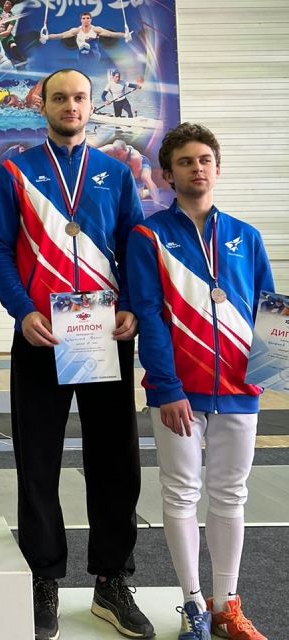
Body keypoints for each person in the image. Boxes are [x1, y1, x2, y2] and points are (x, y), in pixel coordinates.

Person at [0, 68, 153, 640]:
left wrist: (131, 305)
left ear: (90, 104)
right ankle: (44, 578)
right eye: (60, 98)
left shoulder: (115, 172)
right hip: (41, 334)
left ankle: (111, 579)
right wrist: (21, 311)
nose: (71, 106)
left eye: (79, 97)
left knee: (116, 460)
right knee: (38, 461)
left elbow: (135, 245)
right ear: (44, 106)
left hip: (105, 333)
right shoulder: (15, 171)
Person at [127, 123, 272, 640]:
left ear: (217, 167)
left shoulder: (246, 237)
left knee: (231, 495)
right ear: (167, 175)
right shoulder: (148, 236)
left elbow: (268, 311)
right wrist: (166, 388)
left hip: (239, 389)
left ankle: (227, 604)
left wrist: (266, 374)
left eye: (205, 159)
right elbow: (148, 314)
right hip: (178, 392)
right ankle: (192, 604)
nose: (197, 168)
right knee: (182, 493)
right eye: (185, 162)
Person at [99, 139, 164, 206]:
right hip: (126, 168)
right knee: (138, 195)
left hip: (141, 165)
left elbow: (136, 176)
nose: (116, 157)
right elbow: (94, 151)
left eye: (118, 154)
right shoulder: (110, 149)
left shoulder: (135, 157)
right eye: (115, 154)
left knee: (145, 178)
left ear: (125, 150)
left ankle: (157, 199)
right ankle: (150, 191)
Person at [42, 12, 129, 61]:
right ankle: (84, 48)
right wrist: (47, 37)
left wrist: (125, 35)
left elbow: (112, 34)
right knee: (84, 46)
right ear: (81, 20)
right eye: (84, 18)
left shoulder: (96, 29)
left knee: (88, 43)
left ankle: (86, 47)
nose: (86, 20)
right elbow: (61, 35)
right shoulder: (76, 30)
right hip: (81, 56)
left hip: (95, 55)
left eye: (88, 18)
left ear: (91, 20)